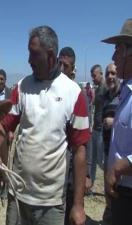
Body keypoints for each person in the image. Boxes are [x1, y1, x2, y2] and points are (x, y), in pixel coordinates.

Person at [0, 26, 90, 225]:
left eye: (34, 54)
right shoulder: (21, 87)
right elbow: (3, 126)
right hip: (18, 197)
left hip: (51, 204)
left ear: (51, 55)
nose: (28, 60)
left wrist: (78, 205)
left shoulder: (73, 92)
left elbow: (80, 149)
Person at [58, 47, 92, 225]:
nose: (62, 68)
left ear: (73, 69)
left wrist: (87, 174)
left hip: (73, 171)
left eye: (67, 65)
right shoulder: (52, 91)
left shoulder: (79, 96)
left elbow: (86, 140)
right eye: (60, 64)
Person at [102, 18, 132, 225]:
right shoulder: (125, 93)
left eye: (118, 49)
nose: (114, 56)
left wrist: (119, 167)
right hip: (121, 192)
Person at [101, 63, 119, 225]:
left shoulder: (125, 95)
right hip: (107, 151)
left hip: (121, 158)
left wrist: (114, 121)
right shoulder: (107, 96)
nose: (110, 77)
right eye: (108, 73)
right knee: (108, 191)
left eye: (113, 73)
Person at [90, 64, 106, 185]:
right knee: (92, 159)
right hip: (95, 128)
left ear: (101, 74)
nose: (93, 78)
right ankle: (89, 187)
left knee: (101, 161)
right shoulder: (98, 88)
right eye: (92, 76)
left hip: (101, 130)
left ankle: (109, 182)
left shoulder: (106, 89)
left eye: (94, 76)